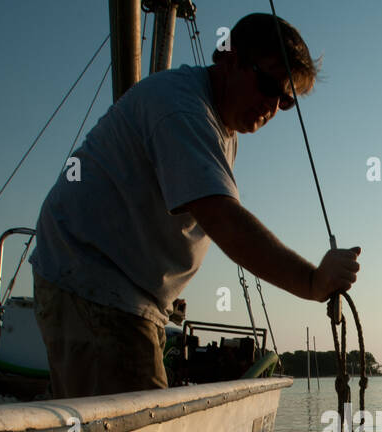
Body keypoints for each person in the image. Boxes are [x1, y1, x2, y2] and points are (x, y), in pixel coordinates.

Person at [29, 12, 360, 399]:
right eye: (268, 84)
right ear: (228, 58)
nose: (272, 105)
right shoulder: (182, 110)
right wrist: (312, 281)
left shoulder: (222, 124)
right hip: (92, 282)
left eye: (286, 100)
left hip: (126, 296)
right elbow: (225, 222)